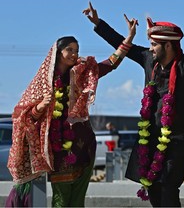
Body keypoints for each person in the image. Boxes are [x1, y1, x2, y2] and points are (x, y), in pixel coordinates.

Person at [83, 2, 184, 207]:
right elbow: (122, 45)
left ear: (168, 45)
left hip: (176, 142)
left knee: (168, 189)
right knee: (153, 189)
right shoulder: (148, 60)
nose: (150, 48)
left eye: (154, 44)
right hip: (151, 139)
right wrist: (98, 23)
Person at [5, 17, 137, 207]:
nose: (74, 54)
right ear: (58, 53)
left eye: (77, 50)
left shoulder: (82, 73)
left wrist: (129, 38)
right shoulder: (42, 83)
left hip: (85, 148)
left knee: (77, 202)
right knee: (61, 201)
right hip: (58, 151)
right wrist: (40, 107)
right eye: (70, 50)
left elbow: (110, 64)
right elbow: (22, 116)